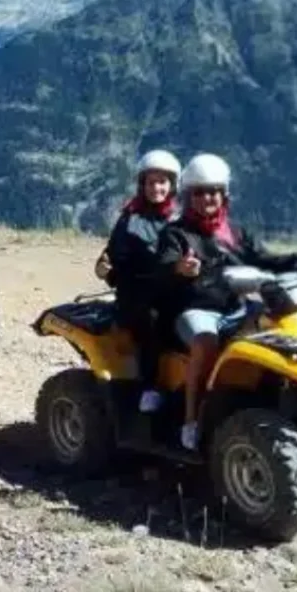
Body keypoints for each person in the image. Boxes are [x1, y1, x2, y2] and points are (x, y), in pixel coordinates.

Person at [158, 153, 297, 451]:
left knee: (282, 332)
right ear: (189, 197)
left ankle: (283, 405)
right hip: (194, 310)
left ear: (224, 195)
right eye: (199, 193)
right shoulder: (176, 233)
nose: (207, 199)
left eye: (213, 191)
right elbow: (165, 264)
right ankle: (191, 420)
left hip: (235, 307)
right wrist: (180, 268)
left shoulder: (235, 232)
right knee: (205, 342)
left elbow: (263, 259)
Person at [95, 149, 182, 414]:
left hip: (175, 289)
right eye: (151, 182)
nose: (157, 188)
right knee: (155, 320)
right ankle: (151, 387)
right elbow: (114, 259)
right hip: (138, 294)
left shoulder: (180, 217)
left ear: (172, 185)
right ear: (142, 184)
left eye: (163, 182)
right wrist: (106, 271)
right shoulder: (131, 219)